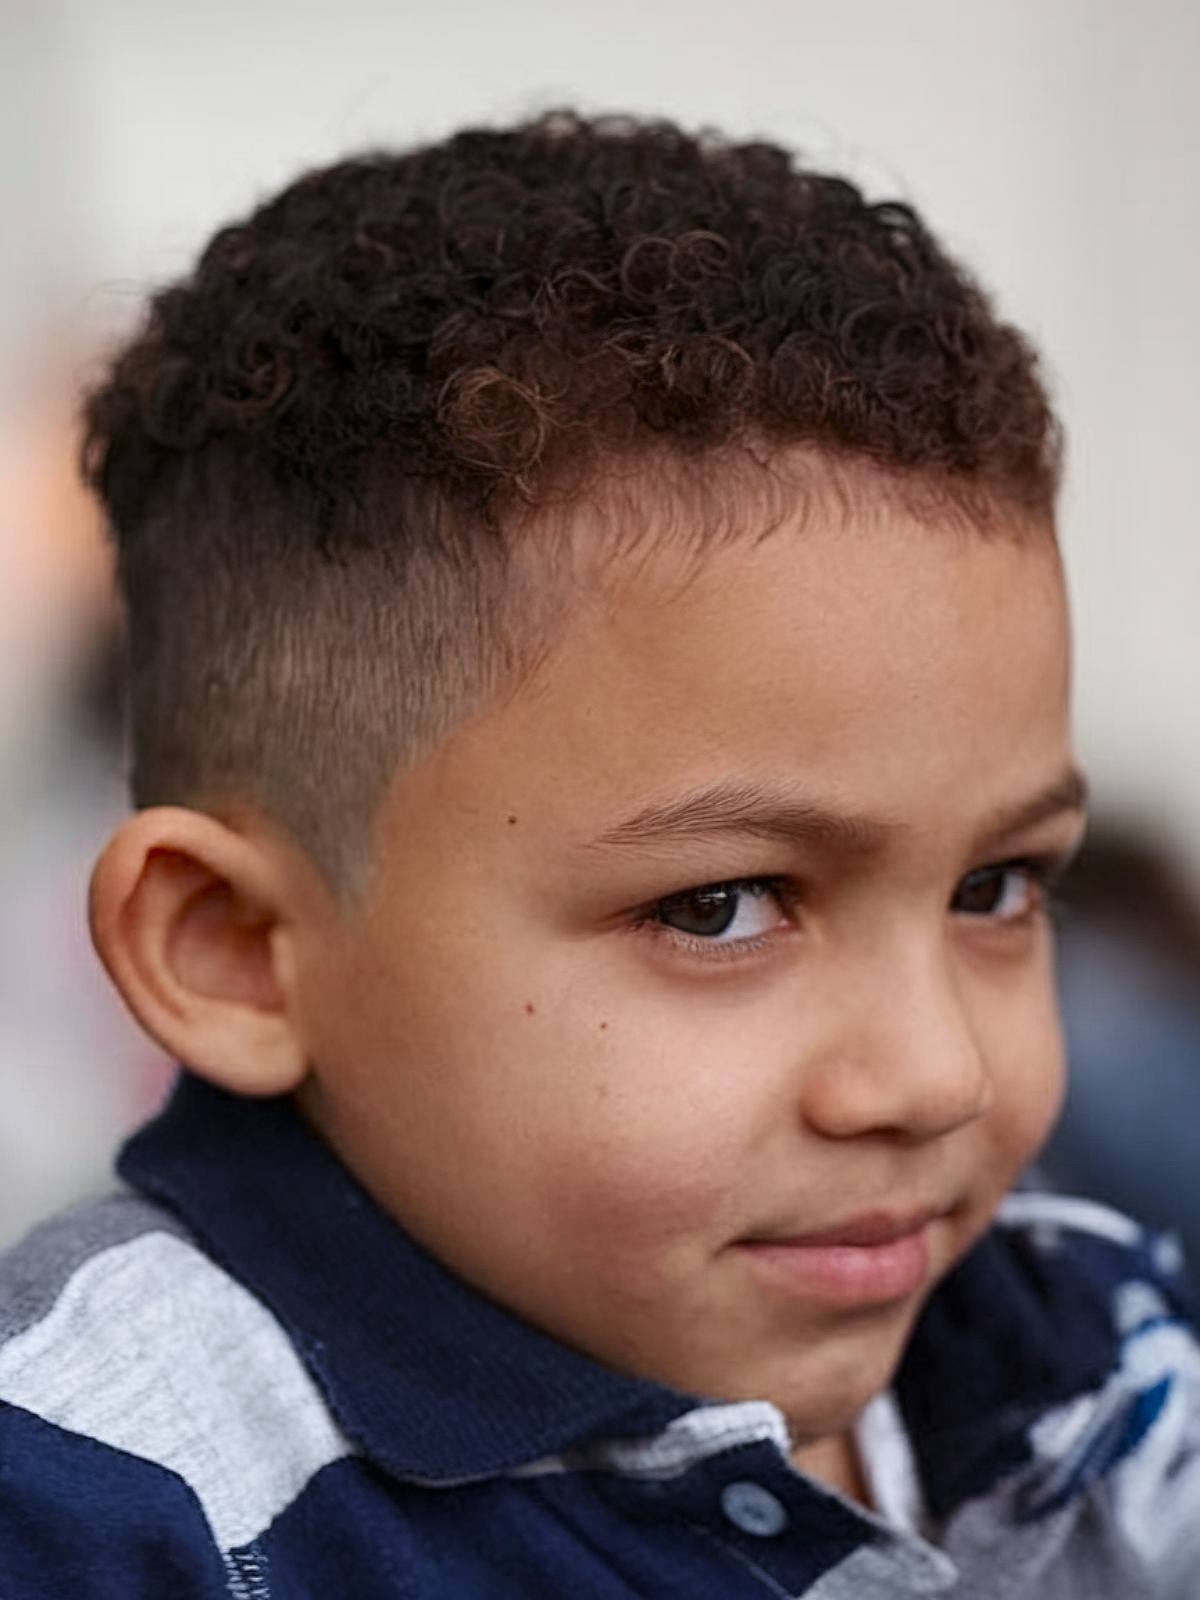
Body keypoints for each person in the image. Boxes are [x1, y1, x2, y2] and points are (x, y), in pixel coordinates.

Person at [1, 112, 1196, 1599]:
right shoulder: (95, 1507)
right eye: (720, 906)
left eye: (996, 888)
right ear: (235, 951)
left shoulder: (1094, 1348)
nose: (939, 1076)